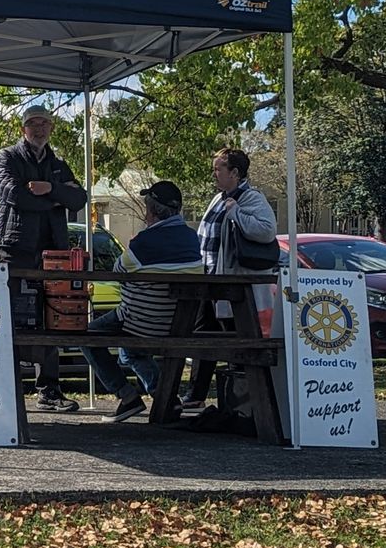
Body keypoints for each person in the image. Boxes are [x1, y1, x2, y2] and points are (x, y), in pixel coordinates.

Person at [0, 104, 89, 414]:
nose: (39, 129)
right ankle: (5, 389)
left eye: (44, 124)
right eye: (33, 124)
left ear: (51, 129)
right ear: (23, 129)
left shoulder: (58, 165)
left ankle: (49, 391)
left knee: (51, 319)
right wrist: (56, 199)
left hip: (54, 255)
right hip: (16, 250)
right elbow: (14, 195)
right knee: (11, 318)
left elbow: (79, 198)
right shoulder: (7, 158)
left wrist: (51, 188)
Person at [80, 181, 203, 423]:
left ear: (153, 210)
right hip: (179, 323)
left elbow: (118, 270)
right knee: (129, 351)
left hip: (142, 322)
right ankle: (165, 397)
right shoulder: (192, 239)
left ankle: (127, 397)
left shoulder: (143, 242)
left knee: (86, 335)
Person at [188, 146, 279, 409]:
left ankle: (244, 401)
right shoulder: (218, 198)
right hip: (210, 280)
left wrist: (237, 212)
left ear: (235, 173)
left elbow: (266, 231)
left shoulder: (251, 198)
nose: (214, 174)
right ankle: (195, 396)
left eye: (219, 169)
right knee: (202, 337)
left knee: (236, 340)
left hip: (233, 287)